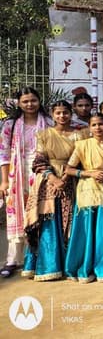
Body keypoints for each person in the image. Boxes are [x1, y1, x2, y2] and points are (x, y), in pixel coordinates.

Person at [23, 100, 83, 281]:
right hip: (48, 181)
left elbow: (81, 159)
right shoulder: (44, 134)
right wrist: (54, 179)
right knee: (48, 221)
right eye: (58, 113)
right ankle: (47, 266)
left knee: (70, 221)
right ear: (52, 114)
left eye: (65, 112)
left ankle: (69, 265)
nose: (62, 116)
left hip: (71, 180)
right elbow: (39, 161)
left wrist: (65, 178)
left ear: (71, 113)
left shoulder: (79, 135)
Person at [0, 87, 51, 278]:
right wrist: (4, 181)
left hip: (42, 173)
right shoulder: (10, 125)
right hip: (17, 175)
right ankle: (12, 260)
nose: (30, 104)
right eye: (25, 101)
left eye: (33, 100)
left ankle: (38, 258)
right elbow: (3, 154)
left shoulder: (49, 122)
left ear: (39, 101)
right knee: (16, 215)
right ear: (19, 104)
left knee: (41, 214)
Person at [64, 113, 103, 282]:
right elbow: (69, 169)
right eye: (94, 125)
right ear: (89, 127)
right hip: (86, 189)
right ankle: (84, 267)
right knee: (86, 230)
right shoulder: (82, 145)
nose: (98, 128)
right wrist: (89, 173)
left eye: (101, 124)